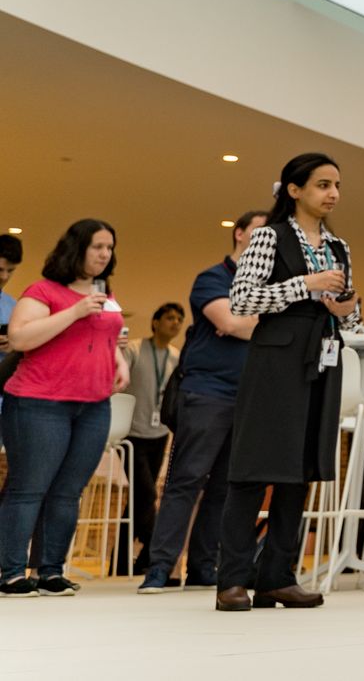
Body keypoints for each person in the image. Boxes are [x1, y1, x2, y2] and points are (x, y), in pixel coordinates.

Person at [216, 155, 360, 610]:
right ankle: (232, 580)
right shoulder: (267, 237)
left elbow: (350, 318)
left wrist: (345, 309)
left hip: (322, 356)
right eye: (322, 184)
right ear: (294, 190)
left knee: (299, 471)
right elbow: (241, 300)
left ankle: (277, 575)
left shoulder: (339, 247)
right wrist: (305, 283)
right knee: (255, 469)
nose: (332, 193)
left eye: (336, 185)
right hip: (276, 358)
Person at [0, 219, 128, 597]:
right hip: (40, 402)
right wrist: (74, 312)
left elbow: (108, 336)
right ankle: (9, 571)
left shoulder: (105, 293)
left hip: (92, 404)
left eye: (109, 247)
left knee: (68, 491)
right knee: (29, 488)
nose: (105, 255)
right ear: (77, 249)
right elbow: (20, 337)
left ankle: (50, 570)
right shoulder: (43, 291)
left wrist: (118, 361)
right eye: (97, 247)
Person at [139, 211, 265, 594]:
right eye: (260, 231)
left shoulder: (268, 286)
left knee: (226, 486)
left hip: (249, 398)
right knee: (185, 480)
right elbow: (228, 323)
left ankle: (202, 566)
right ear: (240, 233)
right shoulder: (213, 278)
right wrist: (272, 323)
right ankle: (160, 567)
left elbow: (246, 324)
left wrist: (256, 319)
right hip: (207, 393)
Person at [121, 300, 184, 572]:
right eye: (169, 318)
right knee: (146, 494)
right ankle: (157, 552)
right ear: (156, 322)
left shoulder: (176, 355)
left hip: (159, 434)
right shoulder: (134, 348)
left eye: (179, 319)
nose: (175, 323)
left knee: (138, 500)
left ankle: (121, 561)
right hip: (132, 435)